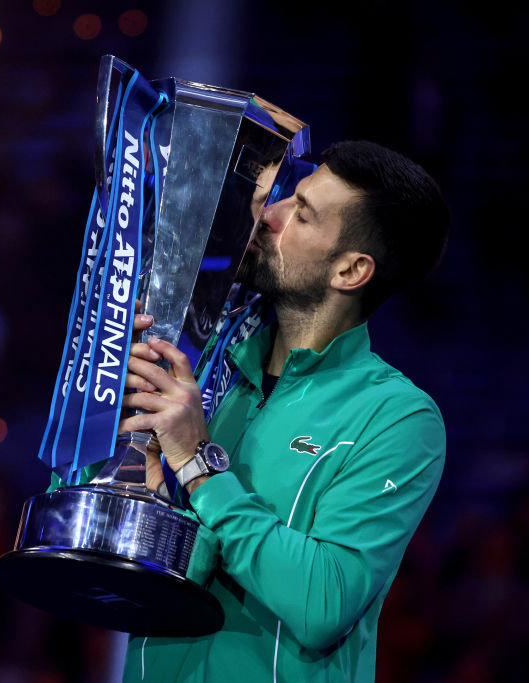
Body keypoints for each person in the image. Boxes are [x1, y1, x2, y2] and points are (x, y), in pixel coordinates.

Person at [115, 140, 450, 682]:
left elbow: (322, 605)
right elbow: (168, 572)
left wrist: (198, 464)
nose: (268, 215)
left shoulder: (397, 418)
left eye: (301, 212)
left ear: (350, 271)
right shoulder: (200, 370)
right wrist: (138, 481)